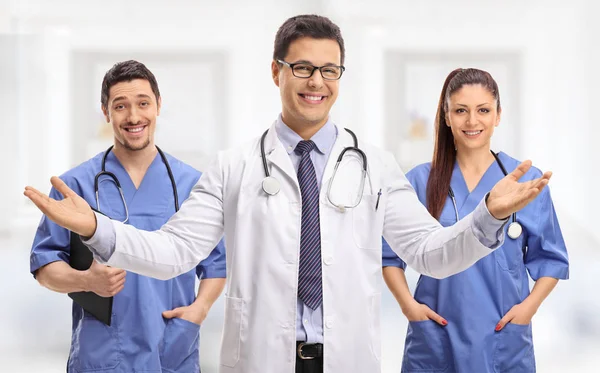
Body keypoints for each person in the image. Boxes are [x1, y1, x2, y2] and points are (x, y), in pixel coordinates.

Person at [25, 16, 552, 373]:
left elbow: (432, 256)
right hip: (262, 358)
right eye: (301, 67)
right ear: (276, 71)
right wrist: (95, 227)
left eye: (329, 69)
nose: (315, 80)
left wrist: (486, 215)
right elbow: (174, 254)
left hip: (346, 357)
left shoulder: (375, 165)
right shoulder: (233, 167)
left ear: (339, 76)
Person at [29, 60, 227, 373]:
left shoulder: (193, 184)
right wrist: (86, 281)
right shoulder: (75, 186)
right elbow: (44, 266)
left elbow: (216, 265)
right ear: (106, 112)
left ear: (158, 106)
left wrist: (199, 310)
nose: (134, 117)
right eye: (120, 106)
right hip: (103, 352)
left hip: (171, 348)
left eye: (143, 103)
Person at [382, 68, 569, 373]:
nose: (472, 121)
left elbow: (550, 259)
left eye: (483, 110)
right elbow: (388, 254)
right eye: (460, 111)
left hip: (501, 335)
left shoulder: (525, 181)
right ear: (446, 116)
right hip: (436, 334)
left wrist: (527, 310)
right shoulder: (419, 181)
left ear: (498, 115)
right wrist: (408, 306)